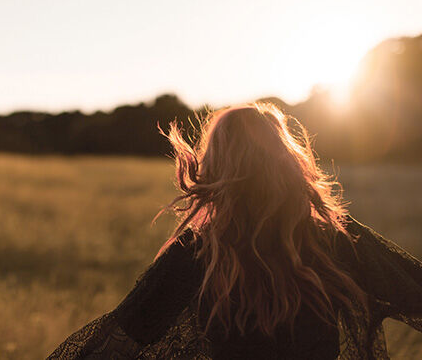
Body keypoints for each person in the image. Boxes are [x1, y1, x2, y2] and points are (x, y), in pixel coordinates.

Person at [48, 103, 422, 359]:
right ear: (288, 162)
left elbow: (116, 342)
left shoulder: (197, 252)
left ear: (217, 167)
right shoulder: (335, 239)